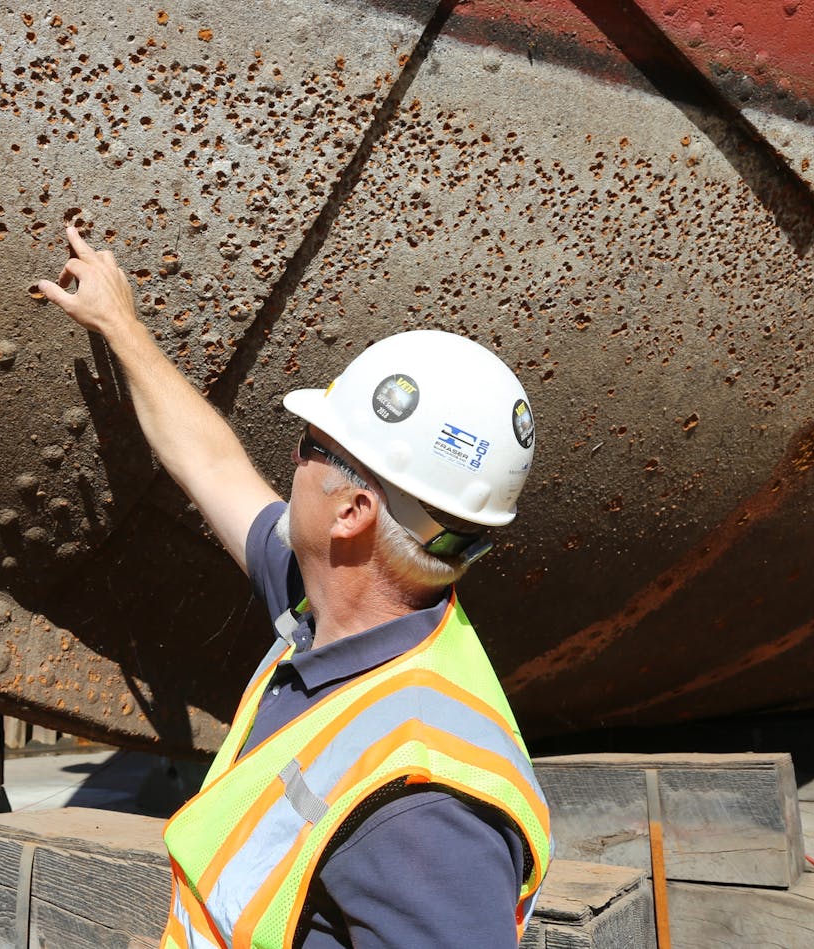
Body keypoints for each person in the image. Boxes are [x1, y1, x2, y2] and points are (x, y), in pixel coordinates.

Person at [39, 227, 551, 948]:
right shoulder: (331, 610)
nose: (292, 452)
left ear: (352, 512)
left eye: (313, 444)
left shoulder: (423, 808)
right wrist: (119, 323)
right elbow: (214, 465)